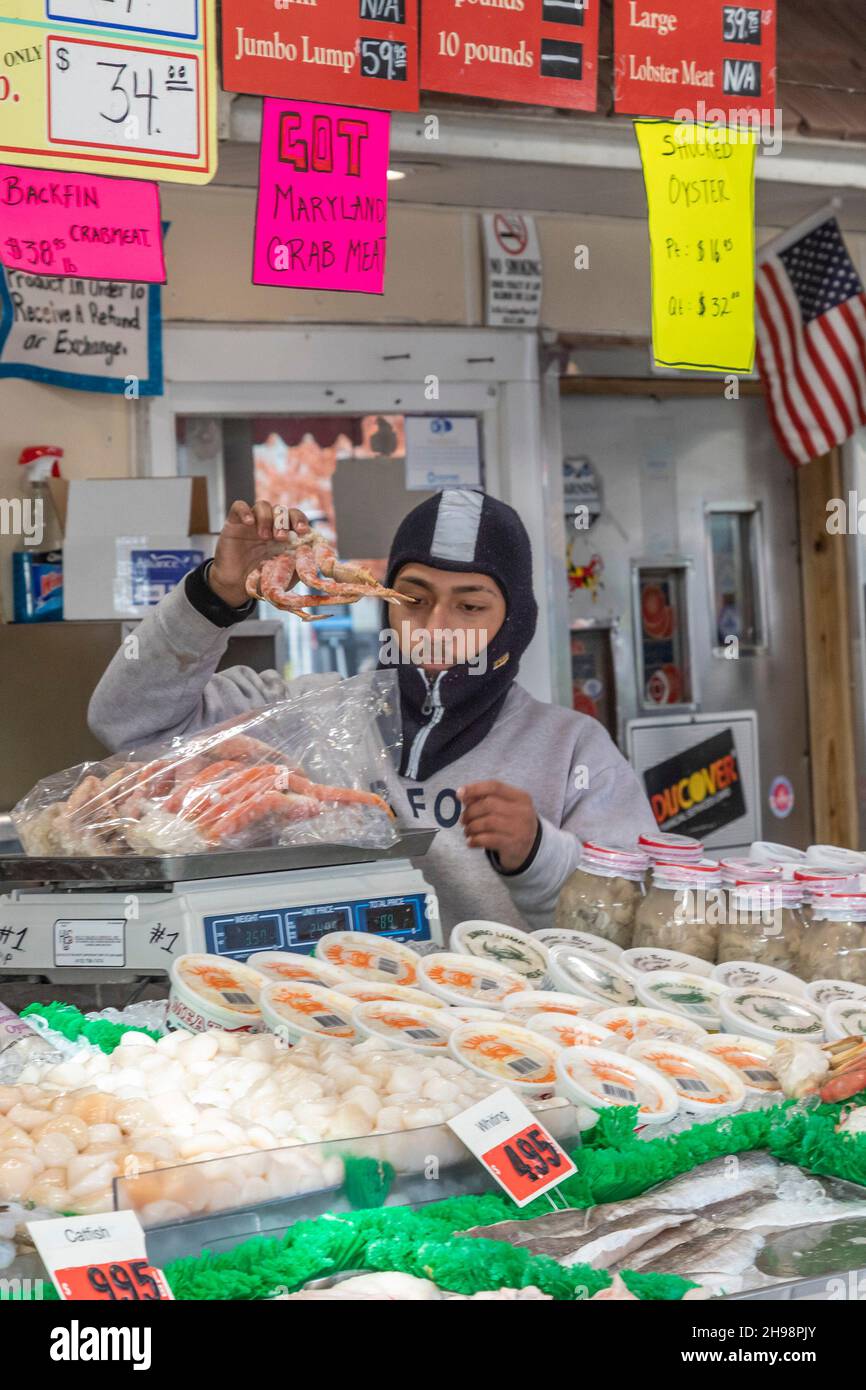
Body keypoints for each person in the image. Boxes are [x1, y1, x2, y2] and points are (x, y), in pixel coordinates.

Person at [89, 488, 656, 934]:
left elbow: (631, 929)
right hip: (329, 1042)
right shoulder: (306, 711)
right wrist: (216, 593)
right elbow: (132, 726)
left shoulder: (574, 751)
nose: (435, 629)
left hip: (500, 1052)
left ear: (515, 621)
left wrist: (539, 854)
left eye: (471, 605)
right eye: (415, 599)